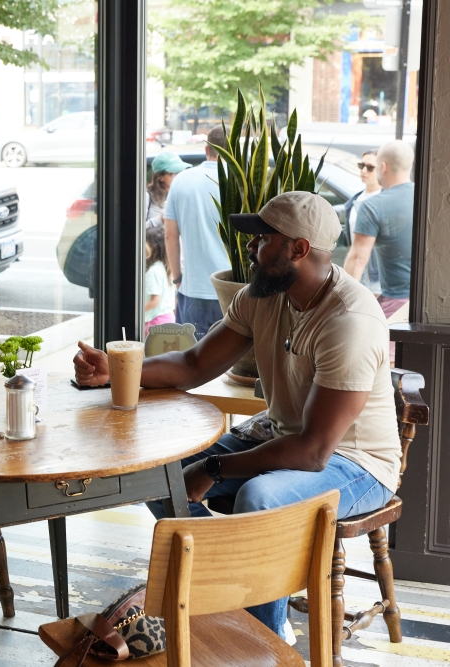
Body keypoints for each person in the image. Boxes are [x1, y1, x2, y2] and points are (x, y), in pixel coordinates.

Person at [74, 191, 400, 640]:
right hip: (282, 438)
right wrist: (118, 373)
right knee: (158, 472)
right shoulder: (263, 296)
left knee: (260, 498)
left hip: (356, 463)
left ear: (298, 249)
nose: (249, 246)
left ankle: (261, 641)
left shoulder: (349, 321)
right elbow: (193, 365)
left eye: (262, 238)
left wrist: (213, 467)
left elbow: (311, 452)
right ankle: (240, 591)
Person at [343, 140, 415, 362]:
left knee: (384, 367)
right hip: (424, 304)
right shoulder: (429, 197)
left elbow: (357, 259)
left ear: (383, 167)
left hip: (396, 305)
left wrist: (338, 303)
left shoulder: (374, 206)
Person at [163, 126, 231, 339]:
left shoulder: (182, 180)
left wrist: (177, 279)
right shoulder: (242, 182)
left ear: (206, 149)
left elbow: (170, 235)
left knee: (190, 364)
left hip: (193, 289)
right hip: (233, 290)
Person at [341, 151, 382, 292]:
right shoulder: (355, 200)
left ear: (382, 169)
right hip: (357, 268)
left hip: (375, 275)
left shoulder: (384, 200)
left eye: (370, 167)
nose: (364, 170)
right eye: (361, 165)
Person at [144, 226, 176, 337]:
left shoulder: (154, 271)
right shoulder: (166, 268)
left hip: (157, 322)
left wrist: (136, 310)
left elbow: (155, 301)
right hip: (168, 319)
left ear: (153, 247)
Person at [145, 152, 188, 228]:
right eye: (176, 173)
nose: (180, 177)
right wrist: (161, 219)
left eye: (183, 172)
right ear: (160, 177)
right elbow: (137, 230)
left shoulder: (185, 195)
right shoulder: (147, 196)